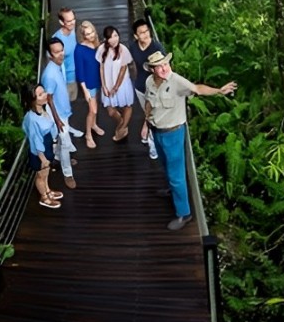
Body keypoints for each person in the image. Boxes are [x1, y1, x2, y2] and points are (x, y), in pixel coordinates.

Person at [144, 50, 236, 231]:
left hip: (173, 133)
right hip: (156, 131)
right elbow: (148, 103)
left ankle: (184, 214)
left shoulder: (176, 81)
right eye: (159, 66)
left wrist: (219, 90)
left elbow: (197, 88)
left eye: (166, 64)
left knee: (176, 174)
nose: (164, 68)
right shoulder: (149, 82)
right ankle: (172, 191)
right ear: (152, 69)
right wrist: (144, 123)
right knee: (164, 164)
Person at [41, 37, 82, 189]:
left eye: (61, 50)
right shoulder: (50, 74)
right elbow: (48, 99)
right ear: (50, 54)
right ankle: (67, 173)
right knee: (65, 142)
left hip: (63, 112)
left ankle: (58, 157)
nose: (61, 54)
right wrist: (57, 120)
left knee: (61, 140)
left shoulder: (58, 66)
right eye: (56, 52)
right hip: (57, 115)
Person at [21, 83, 64, 209]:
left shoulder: (42, 110)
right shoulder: (32, 119)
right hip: (40, 151)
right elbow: (35, 139)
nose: (45, 95)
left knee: (46, 172)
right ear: (32, 100)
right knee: (41, 174)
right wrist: (42, 158)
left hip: (47, 144)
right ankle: (44, 197)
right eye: (40, 95)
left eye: (44, 92)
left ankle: (48, 190)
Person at [128, 18, 164, 160]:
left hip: (155, 88)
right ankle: (147, 130)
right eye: (141, 33)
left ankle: (152, 144)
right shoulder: (133, 47)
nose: (145, 34)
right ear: (136, 36)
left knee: (152, 116)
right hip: (140, 87)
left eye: (147, 31)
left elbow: (164, 69)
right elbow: (134, 65)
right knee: (147, 113)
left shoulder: (157, 48)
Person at [96, 25, 134, 142]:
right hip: (107, 83)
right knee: (111, 110)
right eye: (111, 37)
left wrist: (116, 87)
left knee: (127, 105)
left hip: (121, 84)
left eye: (116, 36)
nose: (114, 39)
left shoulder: (123, 49)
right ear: (106, 39)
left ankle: (122, 128)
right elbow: (101, 68)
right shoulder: (102, 49)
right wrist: (104, 86)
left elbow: (123, 70)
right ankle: (123, 122)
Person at [74, 20, 105, 149]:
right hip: (88, 84)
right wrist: (85, 90)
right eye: (87, 34)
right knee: (92, 110)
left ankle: (94, 125)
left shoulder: (96, 45)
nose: (91, 35)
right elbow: (80, 72)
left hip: (97, 80)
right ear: (82, 35)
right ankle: (88, 134)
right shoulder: (79, 50)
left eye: (92, 31)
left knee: (95, 105)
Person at [53, 7, 79, 104]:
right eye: (69, 21)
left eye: (73, 19)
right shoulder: (56, 40)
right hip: (64, 82)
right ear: (61, 22)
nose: (72, 23)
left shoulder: (72, 31)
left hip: (75, 78)